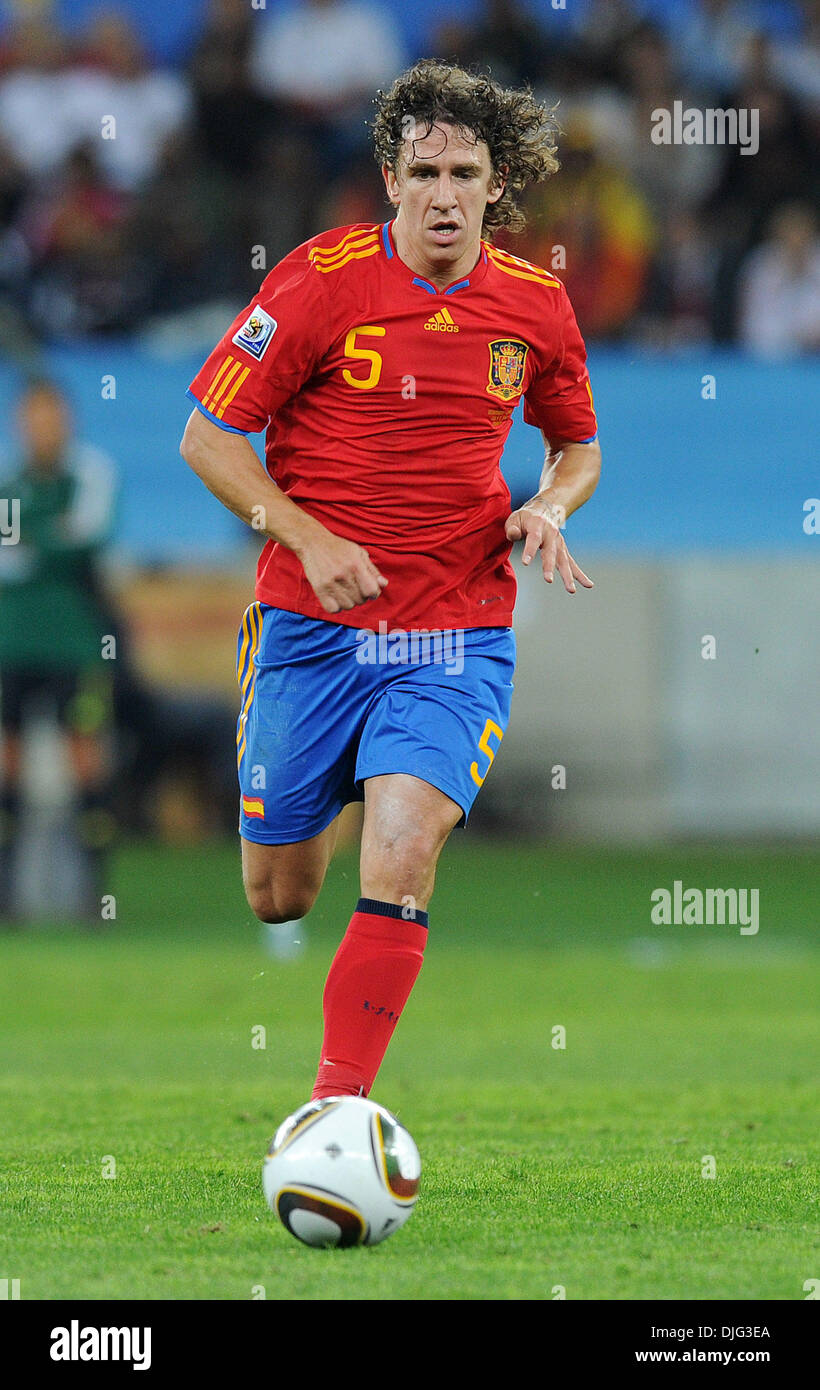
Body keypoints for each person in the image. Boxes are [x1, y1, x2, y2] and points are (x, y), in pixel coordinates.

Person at [180, 59, 601, 1104]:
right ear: (389, 178)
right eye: (426, 171)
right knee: (279, 895)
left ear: (496, 182)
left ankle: (337, 1109)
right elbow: (208, 437)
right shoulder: (317, 282)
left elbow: (578, 445)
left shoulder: (536, 306)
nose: (446, 193)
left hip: (453, 634)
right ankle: (288, 735)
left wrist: (547, 505)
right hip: (310, 626)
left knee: (404, 846)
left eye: (466, 171)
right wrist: (309, 537)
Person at [0, 379, 116, 920]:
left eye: (52, 415)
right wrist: (48, 539)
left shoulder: (90, 474)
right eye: (33, 415)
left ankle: (97, 900)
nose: (43, 425)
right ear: (22, 422)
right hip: (11, 643)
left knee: (85, 766)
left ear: (67, 420)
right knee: (8, 768)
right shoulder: (9, 482)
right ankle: (8, 901)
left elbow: (87, 541)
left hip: (74, 644)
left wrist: (33, 538)